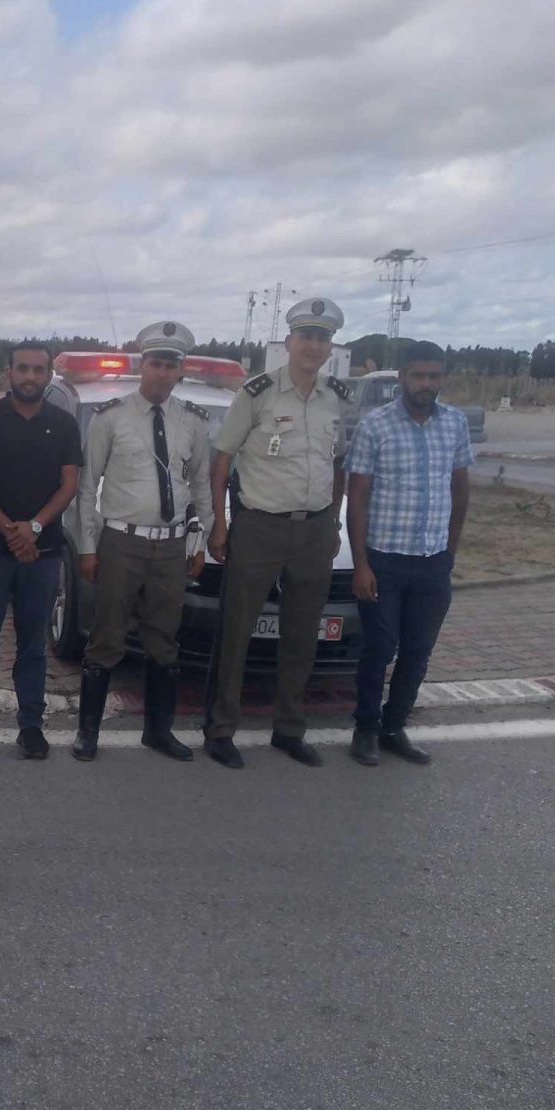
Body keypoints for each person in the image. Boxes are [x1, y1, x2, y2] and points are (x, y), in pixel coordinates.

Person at [202, 297, 351, 769]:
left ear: (330, 347)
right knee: (236, 632)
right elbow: (222, 462)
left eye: (322, 338)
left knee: (302, 634)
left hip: (314, 529)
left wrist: (334, 521)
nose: (313, 345)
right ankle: (220, 730)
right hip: (259, 527)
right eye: (306, 336)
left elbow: (337, 464)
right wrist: (220, 523)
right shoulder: (258, 393)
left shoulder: (334, 398)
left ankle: (289, 729)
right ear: (289, 341)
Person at [72, 321, 214, 763]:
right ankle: (88, 733)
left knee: (164, 639)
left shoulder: (192, 421)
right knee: (107, 636)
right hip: (121, 541)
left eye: (171, 365)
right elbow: (86, 486)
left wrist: (200, 543)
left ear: (180, 370)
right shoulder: (110, 417)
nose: (162, 373)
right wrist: (87, 546)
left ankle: (158, 731)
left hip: (171, 546)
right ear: (142, 366)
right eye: (155, 364)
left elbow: (201, 485)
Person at [344, 341, 472, 766]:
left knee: (417, 652)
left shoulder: (454, 423)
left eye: (434, 376)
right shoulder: (375, 425)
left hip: (433, 561)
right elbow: (357, 497)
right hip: (384, 559)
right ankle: (365, 729)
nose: (426, 384)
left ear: (441, 378)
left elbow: (460, 488)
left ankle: (394, 727)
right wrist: (361, 564)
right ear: (402, 377)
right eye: (418, 375)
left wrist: (449, 550)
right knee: (379, 649)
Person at [0, 341, 81, 760]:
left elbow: (69, 485)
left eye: (38, 370)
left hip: (43, 555)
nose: (30, 377)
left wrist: (34, 528)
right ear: (8, 372)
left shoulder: (64, 424)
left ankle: (30, 726)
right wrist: (13, 532)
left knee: (33, 644)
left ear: (48, 375)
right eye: (23, 369)